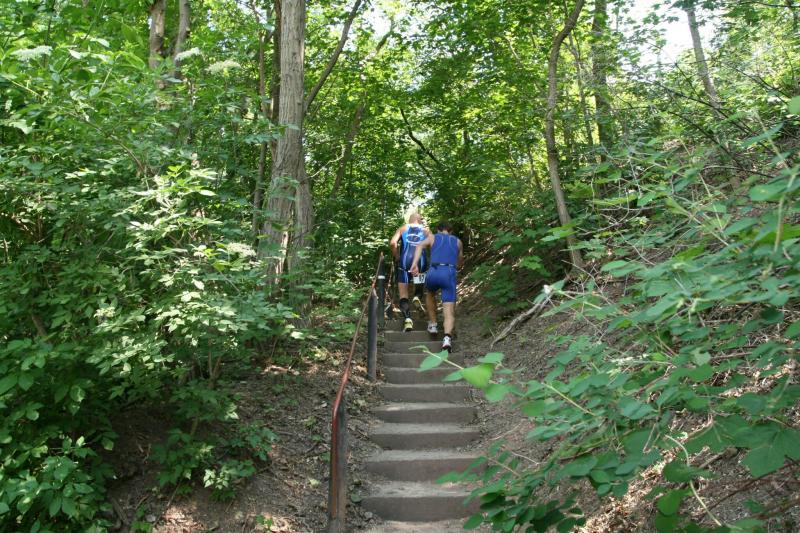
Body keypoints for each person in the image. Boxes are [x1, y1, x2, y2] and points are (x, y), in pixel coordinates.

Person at [410, 221, 463, 352]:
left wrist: (415, 264)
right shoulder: (458, 242)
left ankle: (433, 324)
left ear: (438, 229)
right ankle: (447, 338)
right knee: (449, 309)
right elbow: (460, 262)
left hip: (434, 271)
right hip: (449, 272)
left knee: (430, 293)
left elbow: (419, 245)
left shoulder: (432, 237)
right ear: (451, 231)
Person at [389, 213, 437, 332]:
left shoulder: (403, 228)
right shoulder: (426, 230)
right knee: (419, 284)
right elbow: (434, 244)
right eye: (421, 219)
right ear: (419, 220)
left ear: (410, 220)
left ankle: (408, 320)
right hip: (421, 261)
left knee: (403, 294)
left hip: (405, 261)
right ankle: (417, 297)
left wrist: (397, 256)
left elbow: (393, 243)